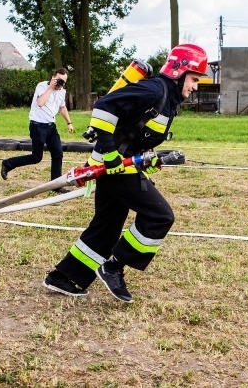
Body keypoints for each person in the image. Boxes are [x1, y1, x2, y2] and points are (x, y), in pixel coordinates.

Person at [42, 44, 208, 303]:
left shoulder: (168, 99)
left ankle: (63, 277)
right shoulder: (154, 90)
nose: (196, 86)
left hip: (122, 166)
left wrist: (148, 158)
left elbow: (134, 130)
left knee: (107, 226)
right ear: (178, 71)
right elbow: (105, 105)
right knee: (160, 216)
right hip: (112, 168)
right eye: (194, 79)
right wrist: (110, 155)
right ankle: (113, 267)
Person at [1, 68, 74, 193]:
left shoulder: (62, 91)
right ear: (53, 77)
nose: (61, 83)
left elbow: (62, 107)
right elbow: (40, 102)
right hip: (38, 126)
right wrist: (51, 88)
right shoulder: (42, 86)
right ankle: (8, 164)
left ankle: (56, 185)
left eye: (63, 81)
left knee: (58, 153)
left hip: (51, 126)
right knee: (36, 157)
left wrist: (69, 122)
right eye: (59, 80)